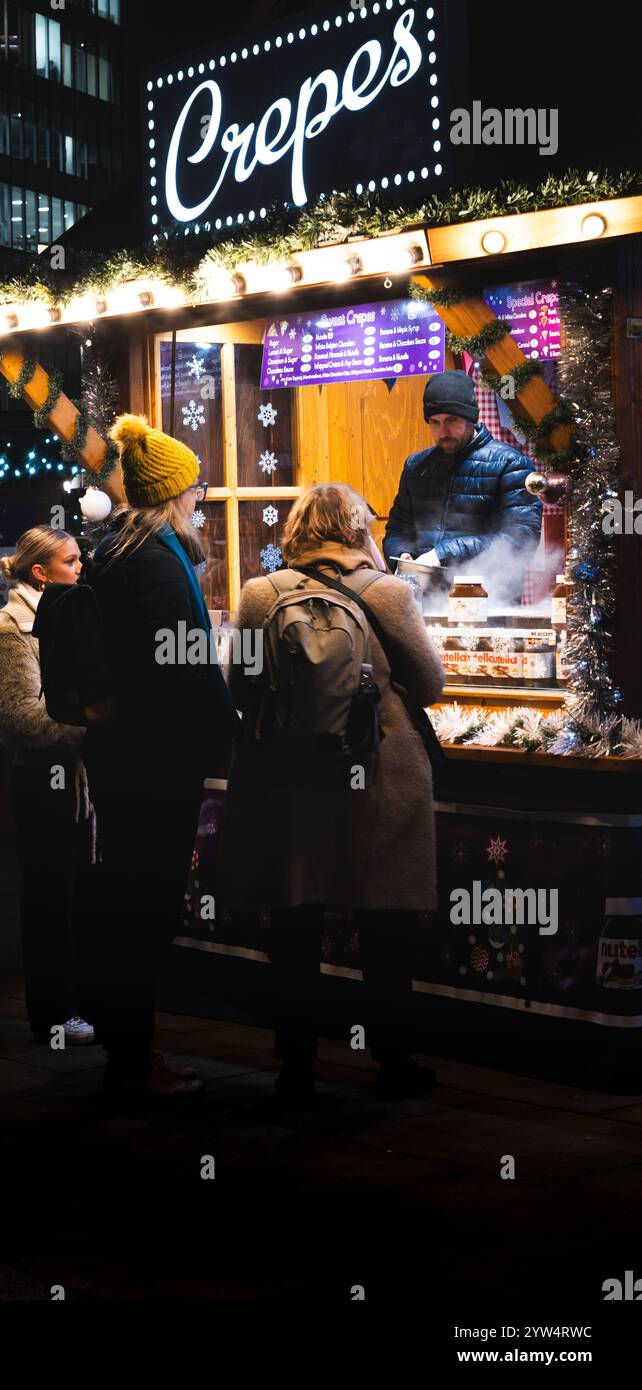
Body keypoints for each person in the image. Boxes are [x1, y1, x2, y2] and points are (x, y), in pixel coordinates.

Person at [220, 483, 446, 1103]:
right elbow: (429, 686)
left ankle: (297, 1066)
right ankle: (394, 1062)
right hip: (379, 778)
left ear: (298, 530)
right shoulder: (392, 593)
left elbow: (241, 687)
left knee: (295, 923)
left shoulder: (262, 593)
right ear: (357, 529)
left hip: (290, 779)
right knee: (385, 924)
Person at [75, 414, 237, 1100]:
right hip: (155, 759)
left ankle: (126, 1047)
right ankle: (134, 1061)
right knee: (146, 904)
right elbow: (184, 664)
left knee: (124, 898)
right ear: (176, 495)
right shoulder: (157, 561)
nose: (201, 500)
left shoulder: (112, 550)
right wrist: (226, 727)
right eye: (196, 490)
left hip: (120, 753)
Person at [0, 526, 95, 1047]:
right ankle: (53, 1014)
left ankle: (79, 1001)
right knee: (49, 901)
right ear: (41, 572)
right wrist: (96, 724)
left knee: (76, 897)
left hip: (79, 783)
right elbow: (16, 719)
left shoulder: (70, 617)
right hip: (43, 783)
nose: (81, 568)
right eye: (71, 561)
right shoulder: (10, 631)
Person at [383, 369, 542, 573]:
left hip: (489, 595)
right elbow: (397, 529)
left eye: (451, 420)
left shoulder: (512, 464)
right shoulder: (416, 466)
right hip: (425, 593)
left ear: (470, 418)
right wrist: (402, 557)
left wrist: (441, 554)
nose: (442, 432)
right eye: (434, 422)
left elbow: (520, 539)